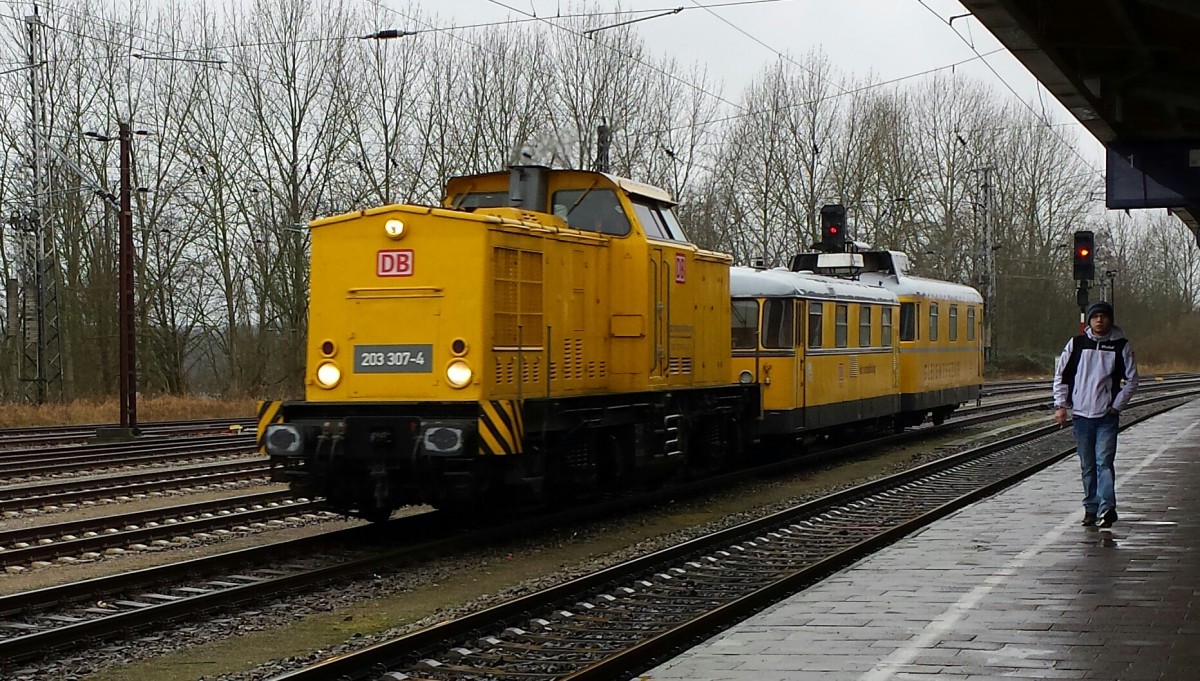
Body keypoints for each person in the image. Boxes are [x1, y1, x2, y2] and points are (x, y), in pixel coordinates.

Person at [1052, 300, 1139, 528]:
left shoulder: (1121, 346)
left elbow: (1132, 380)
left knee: (1104, 462)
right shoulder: (1077, 344)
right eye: (1095, 316)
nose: (1099, 320)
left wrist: (1116, 405)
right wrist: (1061, 405)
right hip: (1081, 415)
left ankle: (1107, 507)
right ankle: (1091, 508)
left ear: (1110, 320)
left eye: (1104, 316)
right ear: (1089, 320)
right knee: (1088, 465)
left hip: (1106, 416)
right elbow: (1061, 375)